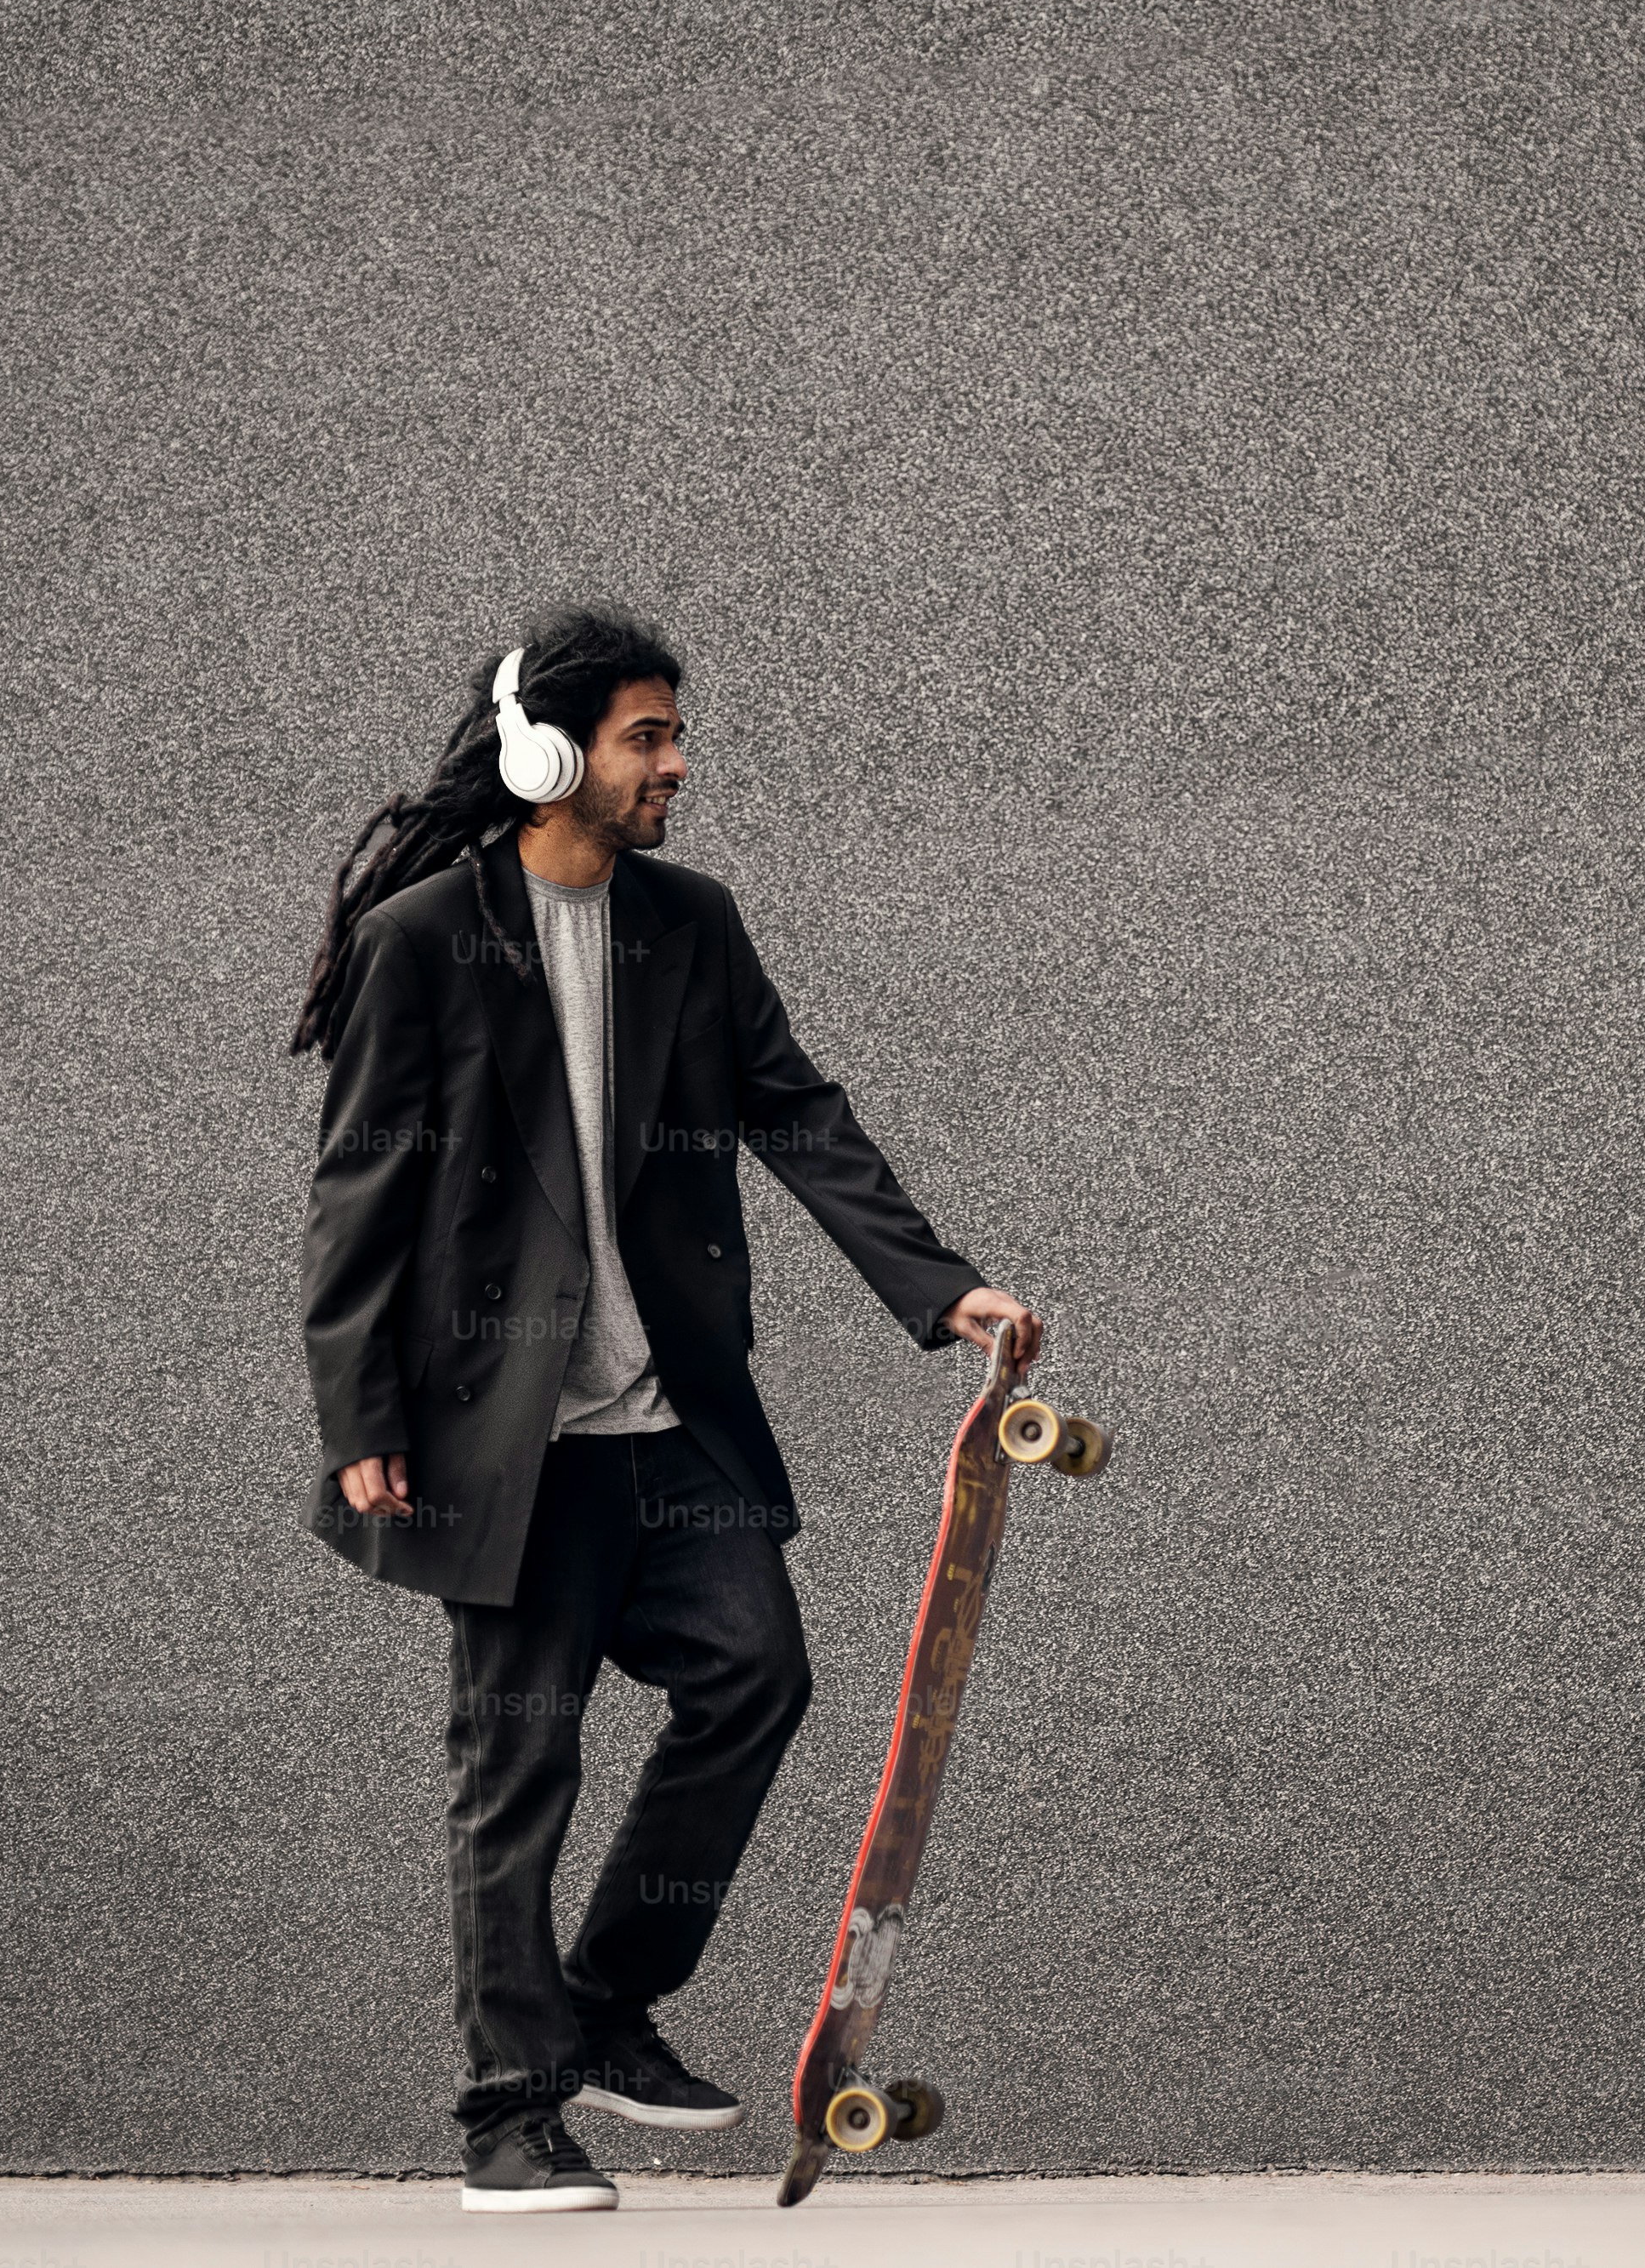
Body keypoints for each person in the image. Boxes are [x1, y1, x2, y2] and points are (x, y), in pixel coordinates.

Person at [288, 607, 1039, 2214]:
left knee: (756, 1677)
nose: (677, 767)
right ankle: (507, 2111)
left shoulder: (689, 925)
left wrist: (940, 1285)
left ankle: (611, 2000)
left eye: (675, 737)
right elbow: (356, 1193)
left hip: (666, 1428)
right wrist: (360, 1415)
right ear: (549, 753)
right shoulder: (425, 940)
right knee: (517, 1768)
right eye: (648, 737)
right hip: (503, 1445)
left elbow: (793, 1108)